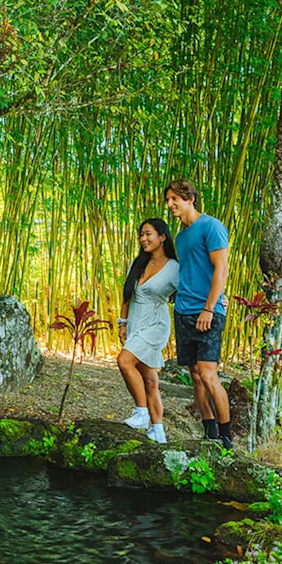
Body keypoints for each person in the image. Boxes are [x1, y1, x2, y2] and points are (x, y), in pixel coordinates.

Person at [165, 179, 233, 448]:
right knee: (194, 374)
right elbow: (191, 271)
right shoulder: (181, 236)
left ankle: (227, 438)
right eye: (168, 200)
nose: (170, 204)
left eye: (175, 199)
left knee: (208, 374)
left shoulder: (212, 227)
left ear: (190, 199)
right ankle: (209, 433)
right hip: (183, 311)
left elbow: (221, 269)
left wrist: (210, 307)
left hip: (207, 312)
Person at [116, 218, 179, 444]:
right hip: (135, 322)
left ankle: (142, 414)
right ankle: (158, 431)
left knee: (124, 361)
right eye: (141, 234)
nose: (143, 239)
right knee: (150, 381)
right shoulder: (138, 263)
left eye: (148, 234)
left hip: (156, 324)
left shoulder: (174, 267)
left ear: (162, 237)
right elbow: (127, 295)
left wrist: (217, 300)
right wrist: (122, 323)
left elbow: (192, 288)